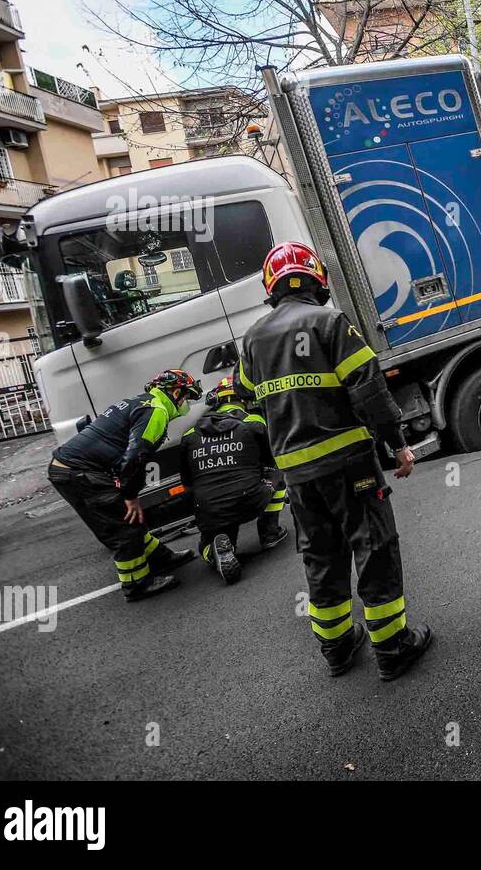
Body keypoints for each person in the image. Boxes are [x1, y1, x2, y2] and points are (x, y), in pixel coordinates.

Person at [236, 241, 432, 680]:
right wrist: (396, 444)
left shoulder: (253, 339)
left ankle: (338, 648)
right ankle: (392, 647)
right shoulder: (330, 322)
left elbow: (246, 398)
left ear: (271, 286)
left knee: (320, 556)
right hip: (349, 463)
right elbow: (369, 389)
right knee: (373, 546)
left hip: (297, 473)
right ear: (317, 280)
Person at [47, 369, 200, 601]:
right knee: (123, 525)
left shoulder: (140, 401)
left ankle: (161, 558)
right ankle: (136, 584)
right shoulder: (156, 411)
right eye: (187, 397)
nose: (186, 404)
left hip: (72, 469)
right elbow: (136, 457)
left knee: (131, 518)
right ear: (176, 392)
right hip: (79, 473)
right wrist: (130, 495)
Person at [178, 377, 289, 585]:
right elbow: (272, 461)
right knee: (278, 476)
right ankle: (269, 533)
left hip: (210, 509)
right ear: (244, 398)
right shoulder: (254, 423)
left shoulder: (190, 435)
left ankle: (213, 551)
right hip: (249, 499)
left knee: (207, 545)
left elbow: (187, 481)